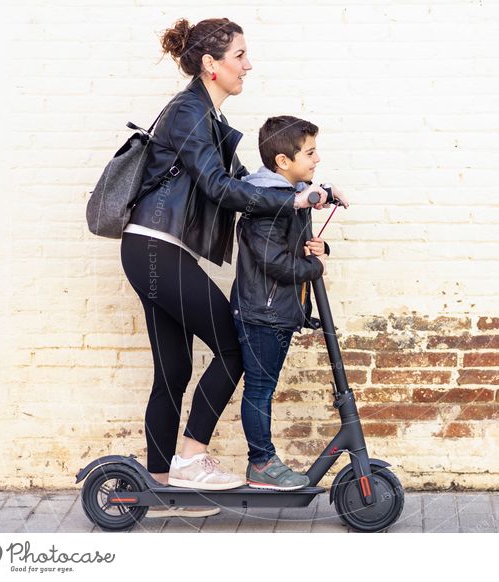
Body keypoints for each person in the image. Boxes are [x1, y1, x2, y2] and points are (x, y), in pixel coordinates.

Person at [119, 18, 331, 518]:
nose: (248, 65)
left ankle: (160, 485)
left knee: (173, 369)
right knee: (232, 347)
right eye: (240, 56)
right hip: (155, 249)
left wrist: (301, 190)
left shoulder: (206, 117)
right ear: (211, 65)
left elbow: (246, 179)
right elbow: (219, 188)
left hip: (156, 250)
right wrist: (296, 203)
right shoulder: (189, 112)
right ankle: (191, 456)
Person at [231, 115, 348, 490]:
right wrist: (313, 267)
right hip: (262, 313)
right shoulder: (266, 202)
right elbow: (273, 262)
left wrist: (319, 249)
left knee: (263, 387)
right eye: (310, 153)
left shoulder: (286, 198)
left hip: (275, 311)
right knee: (260, 389)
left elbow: (289, 248)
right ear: (283, 161)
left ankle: (262, 462)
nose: (316, 160)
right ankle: (261, 463)